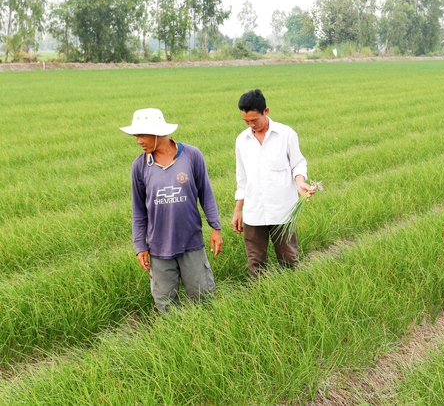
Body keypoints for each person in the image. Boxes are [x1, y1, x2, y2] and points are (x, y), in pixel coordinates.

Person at [120, 108, 223, 313]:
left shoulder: (192, 156)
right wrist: (140, 245)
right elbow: (139, 210)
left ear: (158, 133)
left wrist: (216, 227)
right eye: (136, 136)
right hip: (158, 248)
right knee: (166, 306)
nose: (138, 141)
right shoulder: (140, 166)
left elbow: (206, 194)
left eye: (142, 135)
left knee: (204, 299)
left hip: (192, 243)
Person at [231, 89, 314, 277]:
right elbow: (242, 178)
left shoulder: (286, 134)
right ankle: (260, 299)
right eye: (246, 121)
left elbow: (298, 163)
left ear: (266, 111)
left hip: (283, 209)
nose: (251, 125)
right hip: (254, 211)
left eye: (255, 120)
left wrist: (300, 183)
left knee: (289, 261)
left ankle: (291, 295)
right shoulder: (242, 140)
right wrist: (238, 210)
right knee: (255, 264)